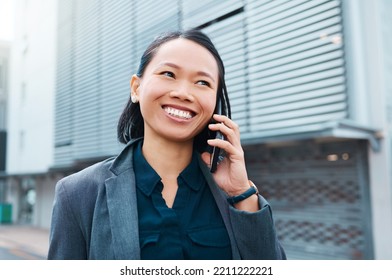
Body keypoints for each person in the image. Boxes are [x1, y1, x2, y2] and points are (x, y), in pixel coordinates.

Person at [47, 29, 286, 260]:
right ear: (136, 88)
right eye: (169, 74)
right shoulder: (77, 194)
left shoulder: (232, 192)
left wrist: (241, 193)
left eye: (202, 82)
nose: (183, 93)